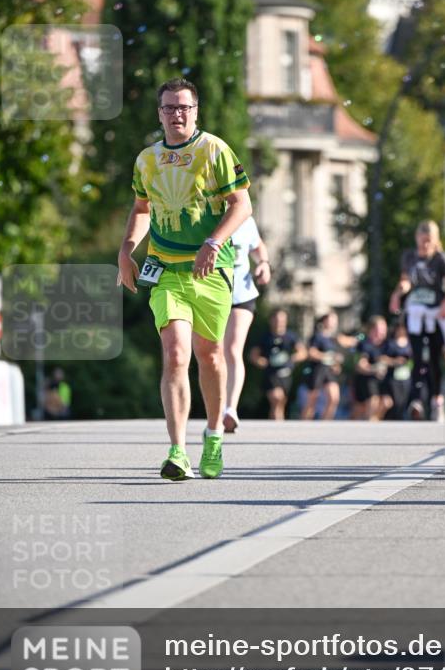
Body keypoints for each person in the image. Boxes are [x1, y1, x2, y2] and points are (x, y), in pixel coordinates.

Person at [117, 77, 251, 481]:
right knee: (176, 354)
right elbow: (142, 208)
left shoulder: (214, 150)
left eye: (184, 107)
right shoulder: (147, 159)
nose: (177, 114)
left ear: (196, 111)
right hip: (166, 271)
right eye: (169, 108)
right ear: (159, 114)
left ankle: (212, 436)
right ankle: (177, 451)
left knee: (210, 356)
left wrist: (214, 241)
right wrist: (126, 250)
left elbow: (242, 204)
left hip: (211, 269)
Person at [389, 219, 445, 422]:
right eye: (422, 240)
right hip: (415, 314)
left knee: (434, 360)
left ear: (434, 240)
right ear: (416, 238)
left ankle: (437, 401)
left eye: (428, 241)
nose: (424, 245)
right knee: (419, 358)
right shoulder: (409, 257)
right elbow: (405, 281)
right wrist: (397, 293)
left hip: (435, 315)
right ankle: (417, 400)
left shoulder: (441, 260)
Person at [222, 216, 271, 433]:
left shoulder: (244, 219)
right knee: (214, 352)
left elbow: (258, 244)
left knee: (232, 350)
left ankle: (230, 408)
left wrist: (263, 263)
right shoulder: (207, 214)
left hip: (242, 294)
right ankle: (218, 407)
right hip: (211, 294)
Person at [249, 308, 307, 420]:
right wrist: (261, 361)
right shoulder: (265, 337)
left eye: (282, 320)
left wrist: (292, 358)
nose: (279, 322)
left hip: (286, 374)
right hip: (271, 374)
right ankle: (277, 424)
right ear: (271, 320)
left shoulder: (290, 336)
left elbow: (303, 352)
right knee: (276, 397)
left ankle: (277, 425)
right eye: (276, 319)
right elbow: (253, 355)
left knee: (280, 403)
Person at [300, 311, 356, 420]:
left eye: (335, 320)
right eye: (331, 319)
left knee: (334, 398)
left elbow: (334, 356)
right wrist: (327, 357)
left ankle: (325, 424)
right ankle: (304, 424)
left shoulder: (332, 339)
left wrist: (336, 363)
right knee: (312, 401)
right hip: (317, 370)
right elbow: (311, 353)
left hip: (329, 372)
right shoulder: (317, 336)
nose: (334, 322)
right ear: (324, 321)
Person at [351, 316, 389, 421]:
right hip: (365, 379)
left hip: (380, 380)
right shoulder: (365, 344)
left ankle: (372, 422)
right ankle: (368, 425)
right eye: (380, 329)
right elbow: (360, 365)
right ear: (372, 330)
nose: (383, 332)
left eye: (384, 329)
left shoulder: (386, 345)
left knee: (386, 402)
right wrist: (375, 369)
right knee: (371, 403)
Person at [379, 322, 413, 420]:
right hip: (393, 378)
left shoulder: (410, 343)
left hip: (406, 377)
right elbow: (382, 358)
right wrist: (395, 361)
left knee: (404, 402)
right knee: (395, 403)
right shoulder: (390, 343)